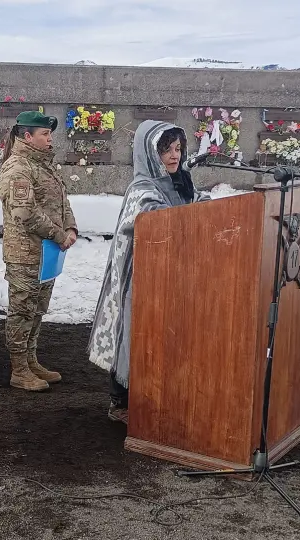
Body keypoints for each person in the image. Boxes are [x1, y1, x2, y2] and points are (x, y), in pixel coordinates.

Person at [87, 120, 210, 423]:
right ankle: (122, 401)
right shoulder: (142, 187)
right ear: (149, 153)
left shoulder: (181, 181)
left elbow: (195, 205)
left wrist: (206, 207)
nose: (174, 156)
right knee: (132, 333)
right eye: (165, 150)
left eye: (178, 149)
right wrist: (190, 215)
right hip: (141, 280)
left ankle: (161, 394)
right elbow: (153, 219)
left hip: (174, 277)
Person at [0, 111, 78, 392]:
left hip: (46, 253)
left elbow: (61, 200)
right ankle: (19, 369)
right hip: (25, 254)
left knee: (37, 310)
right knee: (22, 310)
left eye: (49, 134)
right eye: (45, 134)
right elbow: (24, 212)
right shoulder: (17, 168)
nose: (50, 138)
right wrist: (58, 234)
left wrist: (71, 228)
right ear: (27, 137)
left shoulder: (43, 165)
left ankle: (31, 360)